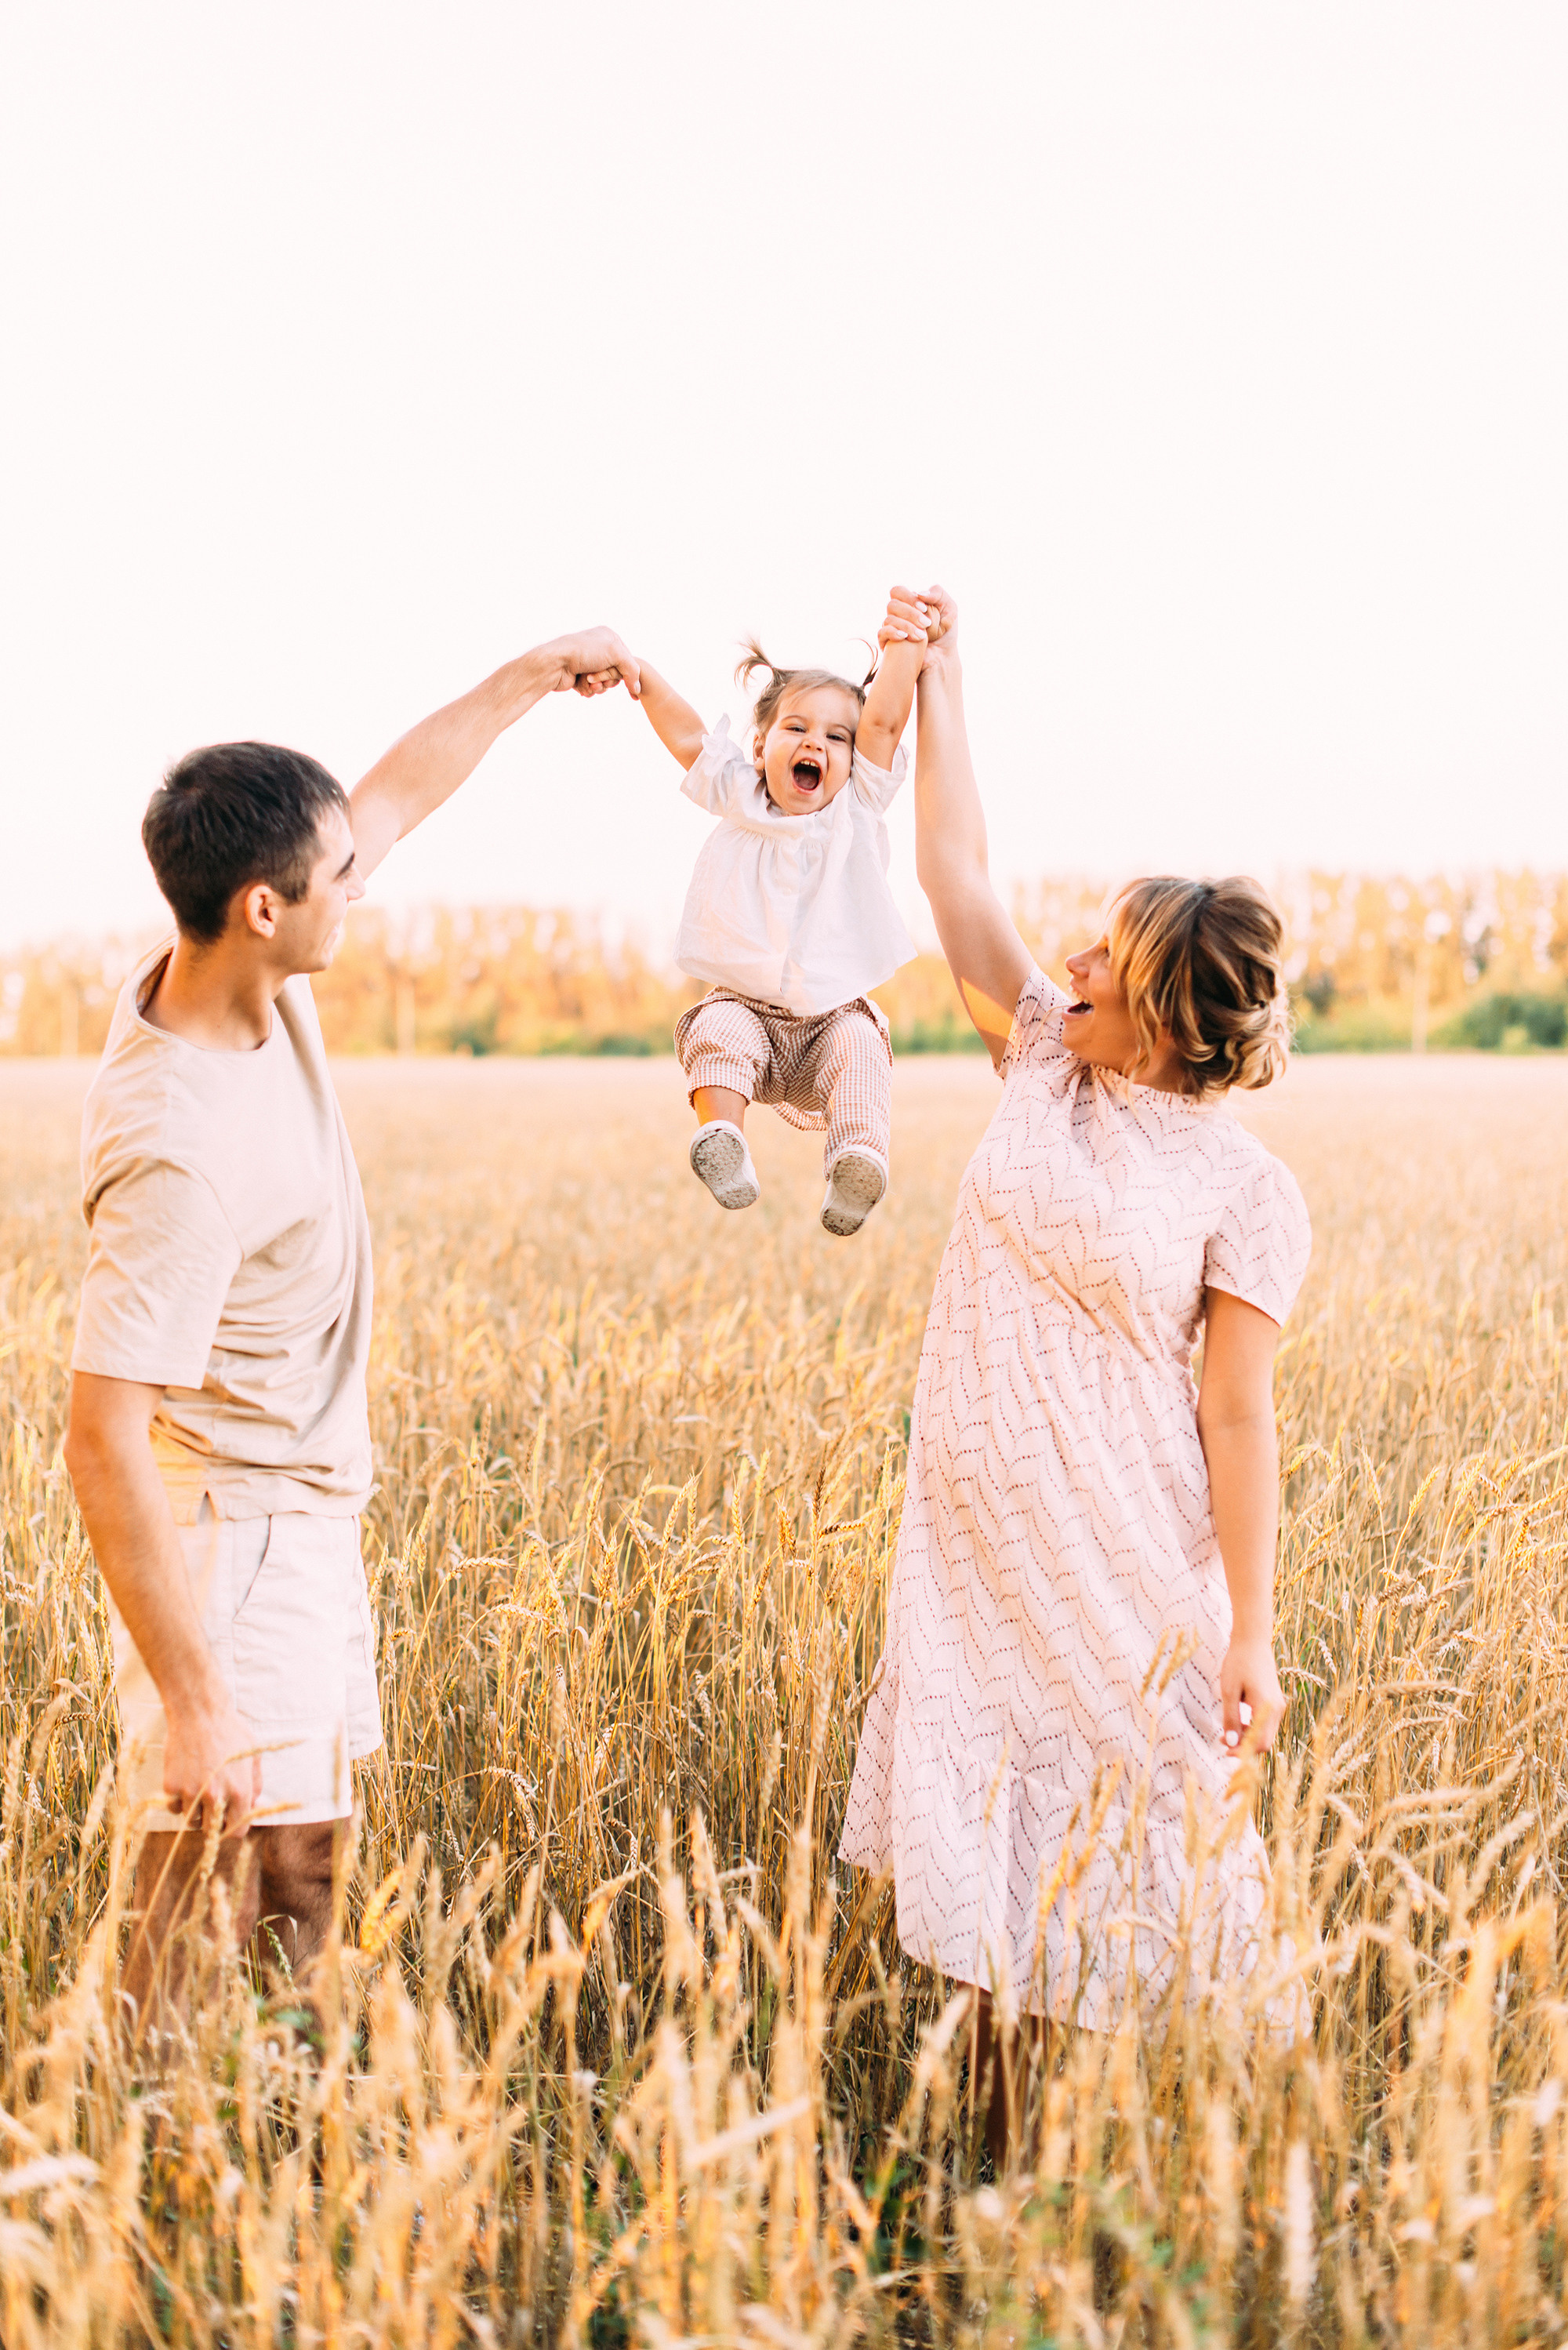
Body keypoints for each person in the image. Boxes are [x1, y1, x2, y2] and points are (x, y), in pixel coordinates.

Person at [63, 625, 641, 2033]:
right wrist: (195, 1697)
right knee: (205, 1871)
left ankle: (263, 2139)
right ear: (263, 905)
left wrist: (528, 679)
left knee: (299, 1874)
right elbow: (99, 1436)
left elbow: (392, 795)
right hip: (233, 1537)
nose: (358, 893)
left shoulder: (246, 965)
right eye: (336, 882)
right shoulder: (179, 1149)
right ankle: (137, 2143)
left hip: (302, 1518)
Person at [839, 586, 1312, 2087]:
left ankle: (1113, 2171)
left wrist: (1250, 1625)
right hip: (977, 1554)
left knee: (1118, 1864)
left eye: (1107, 958)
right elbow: (954, 867)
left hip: (1124, 1555)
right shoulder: (1045, 1058)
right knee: (988, 1893)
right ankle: (1000, 2184)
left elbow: (1236, 1418)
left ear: (1170, 1019)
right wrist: (948, 681)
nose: (1074, 963)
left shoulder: (1249, 1188)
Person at [625, 610, 931, 1236]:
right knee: (718, 1030)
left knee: (862, 1052)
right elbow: (686, 738)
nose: (816, 743)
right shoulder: (738, 794)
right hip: (748, 1006)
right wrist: (641, 674)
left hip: (833, 1017)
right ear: (761, 746)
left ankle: (855, 1164)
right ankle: (722, 1140)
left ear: (856, 757)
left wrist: (906, 643)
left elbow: (886, 718)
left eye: (837, 737)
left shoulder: (858, 805)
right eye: (796, 727)